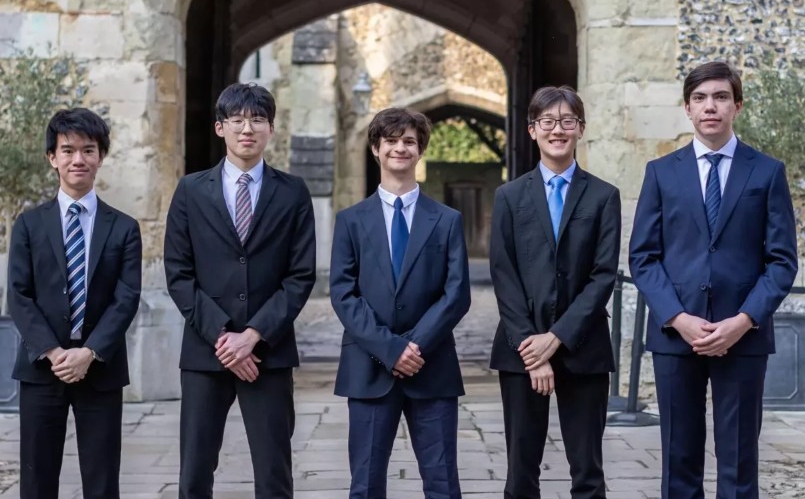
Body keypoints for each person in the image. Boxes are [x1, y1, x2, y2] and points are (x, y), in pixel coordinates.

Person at [629, 61, 798, 498]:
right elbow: (643, 257)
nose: (711, 107)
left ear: (737, 106)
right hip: (675, 336)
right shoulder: (661, 172)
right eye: (700, 98)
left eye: (721, 97)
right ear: (687, 108)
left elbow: (782, 261)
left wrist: (743, 321)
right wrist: (677, 318)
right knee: (678, 459)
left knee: (739, 462)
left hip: (743, 337)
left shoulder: (767, 172)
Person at [164, 82, 316, 498]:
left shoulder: (293, 192)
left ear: (271, 129)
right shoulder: (191, 190)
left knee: (273, 473)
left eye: (257, 120)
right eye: (237, 120)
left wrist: (252, 336)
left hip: (269, 352)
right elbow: (178, 273)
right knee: (195, 473)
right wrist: (223, 337)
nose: (247, 129)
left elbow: (300, 275)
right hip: (205, 352)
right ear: (220, 127)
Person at [329, 107, 471, 499]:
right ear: (376, 148)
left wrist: (415, 347)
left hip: (432, 366)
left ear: (420, 150)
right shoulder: (351, 220)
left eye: (409, 141)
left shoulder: (447, 220)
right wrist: (391, 349)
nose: (400, 148)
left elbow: (456, 293)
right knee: (366, 486)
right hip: (368, 368)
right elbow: (343, 293)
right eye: (391, 140)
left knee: (443, 485)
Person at [488, 86, 621, 499]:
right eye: (547, 121)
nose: (557, 129)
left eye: (567, 121)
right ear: (532, 129)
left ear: (581, 128)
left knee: (588, 471)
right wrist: (533, 348)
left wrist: (558, 336)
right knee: (521, 473)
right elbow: (503, 274)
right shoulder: (509, 196)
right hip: (521, 349)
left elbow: (603, 276)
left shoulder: (604, 196)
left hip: (584, 347)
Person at [8, 108, 142, 499]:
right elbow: (18, 295)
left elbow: (126, 298)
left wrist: (89, 352)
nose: (78, 159)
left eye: (88, 150)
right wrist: (53, 352)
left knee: (102, 480)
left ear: (101, 156)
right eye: (67, 150)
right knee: (37, 480)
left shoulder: (124, 227)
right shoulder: (29, 225)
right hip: (41, 368)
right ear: (52, 157)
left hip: (100, 368)